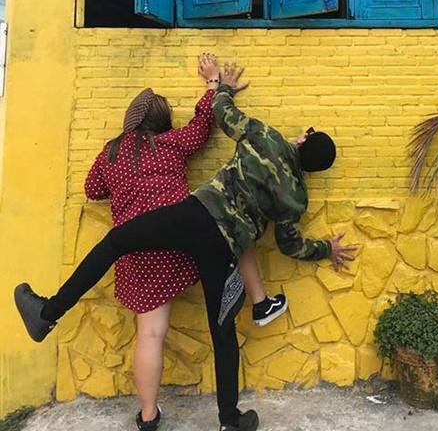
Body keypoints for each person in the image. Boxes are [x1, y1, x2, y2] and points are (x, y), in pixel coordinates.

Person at [15, 62, 357, 431]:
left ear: (303, 140)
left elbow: (223, 113)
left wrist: (220, 86)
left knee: (116, 241)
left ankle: (48, 312)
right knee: (222, 331)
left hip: (194, 216)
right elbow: (290, 245)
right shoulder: (297, 198)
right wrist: (326, 249)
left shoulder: (266, 136)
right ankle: (230, 419)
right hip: (223, 249)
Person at [81, 54, 286, 431]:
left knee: (150, 334)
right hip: (182, 249)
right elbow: (202, 126)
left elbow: (92, 189)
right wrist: (214, 84)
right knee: (233, 230)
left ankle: (148, 417)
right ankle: (258, 307)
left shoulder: (110, 154)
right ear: (162, 122)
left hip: (136, 253)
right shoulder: (171, 143)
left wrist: (123, 184)